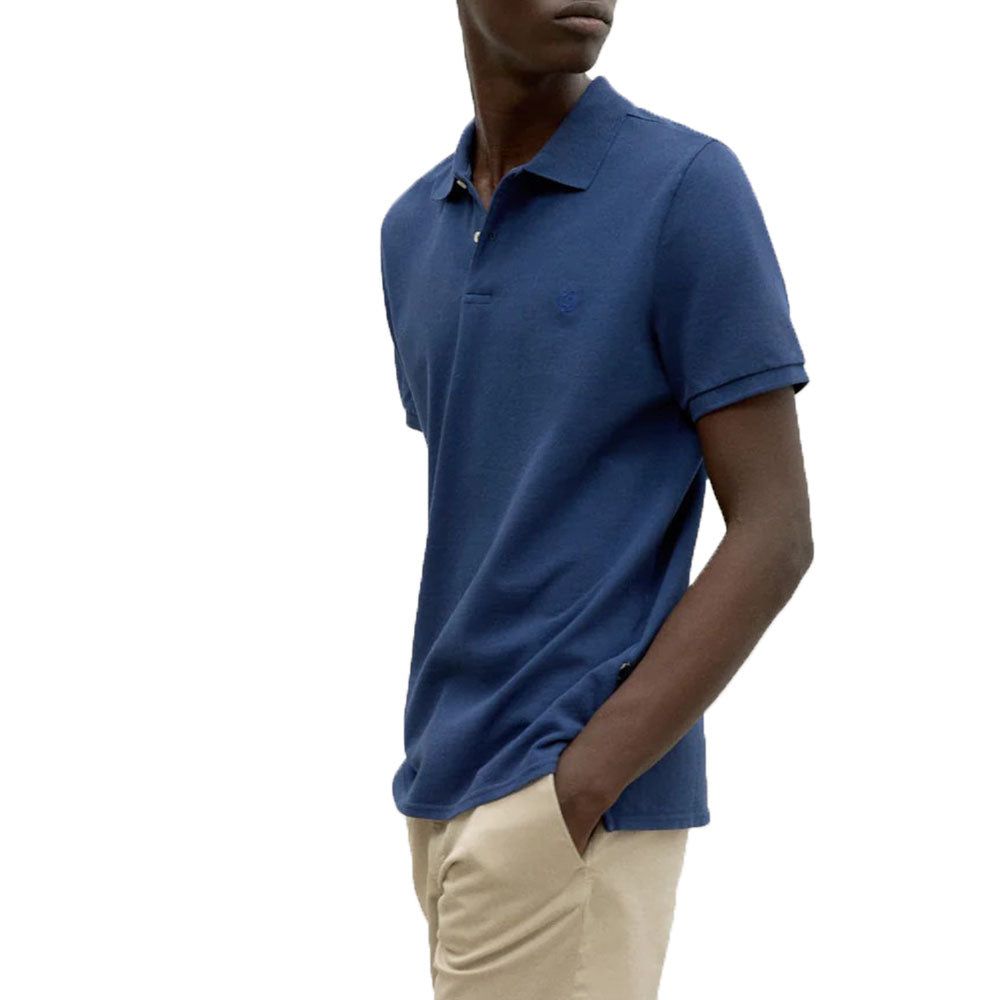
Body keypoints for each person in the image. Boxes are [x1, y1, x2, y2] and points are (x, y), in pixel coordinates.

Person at [377, 2, 813, 997]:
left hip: (567, 799)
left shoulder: (684, 187)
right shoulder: (412, 231)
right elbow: (499, 504)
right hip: (441, 784)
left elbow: (776, 532)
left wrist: (578, 786)